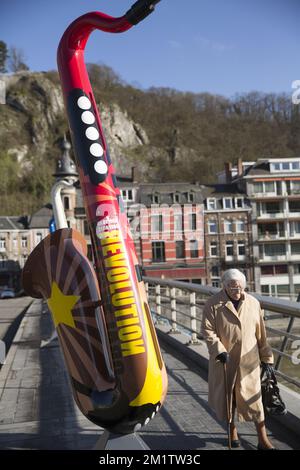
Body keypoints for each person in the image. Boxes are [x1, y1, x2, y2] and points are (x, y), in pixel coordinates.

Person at [201, 268, 275, 450]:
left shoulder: (253, 303)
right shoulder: (213, 304)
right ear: (224, 286)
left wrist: (267, 358)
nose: (237, 291)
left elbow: (261, 334)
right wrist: (219, 349)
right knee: (229, 400)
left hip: (249, 361)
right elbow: (207, 330)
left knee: (255, 402)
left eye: (240, 287)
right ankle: (232, 432)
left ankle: (262, 439)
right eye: (233, 287)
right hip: (224, 361)